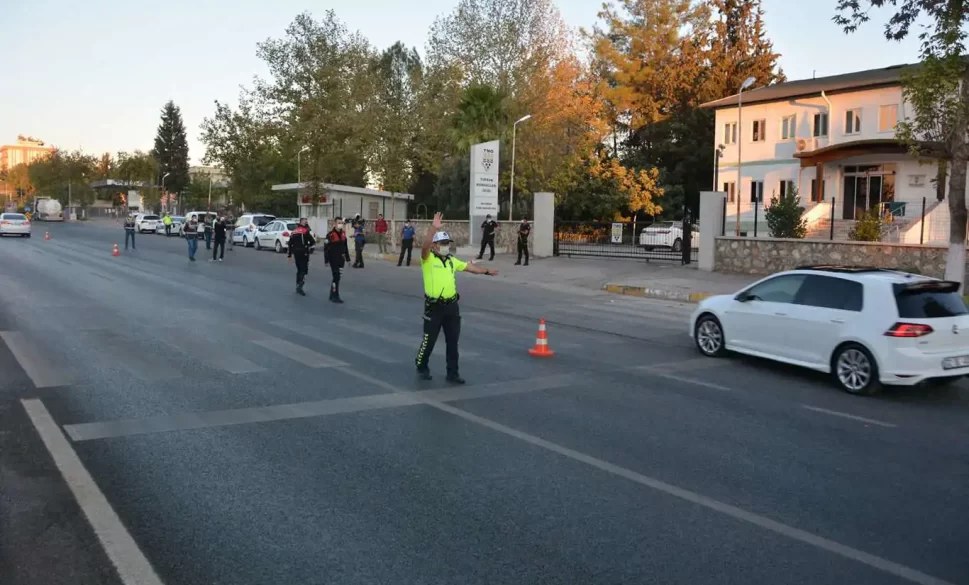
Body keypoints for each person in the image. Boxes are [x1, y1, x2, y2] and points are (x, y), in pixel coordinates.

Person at [415, 212, 497, 384]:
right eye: (443, 243)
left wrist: (487, 271)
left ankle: (452, 373)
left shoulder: (452, 260)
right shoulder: (427, 259)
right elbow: (424, 246)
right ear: (435, 246)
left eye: (447, 243)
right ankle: (422, 365)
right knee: (429, 340)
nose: (446, 246)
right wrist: (433, 229)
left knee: (453, 341)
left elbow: (470, 267)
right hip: (434, 307)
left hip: (451, 307)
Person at [323, 217, 351, 303]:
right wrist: (326, 260)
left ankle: (332, 294)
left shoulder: (343, 234)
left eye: (341, 223)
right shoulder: (330, 235)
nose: (341, 224)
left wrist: (348, 259)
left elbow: (345, 247)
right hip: (333, 258)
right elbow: (326, 248)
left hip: (341, 259)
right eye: (339, 223)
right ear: (334, 224)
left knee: (338, 278)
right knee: (336, 277)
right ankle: (335, 295)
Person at [287, 218, 316, 296]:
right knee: (304, 270)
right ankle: (300, 285)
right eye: (305, 222)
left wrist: (289, 255)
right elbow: (313, 241)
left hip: (296, 253)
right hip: (304, 253)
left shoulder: (294, 232)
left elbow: (290, 244)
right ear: (303, 223)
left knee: (299, 269)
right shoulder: (305, 231)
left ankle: (297, 285)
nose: (306, 223)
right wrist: (307, 246)